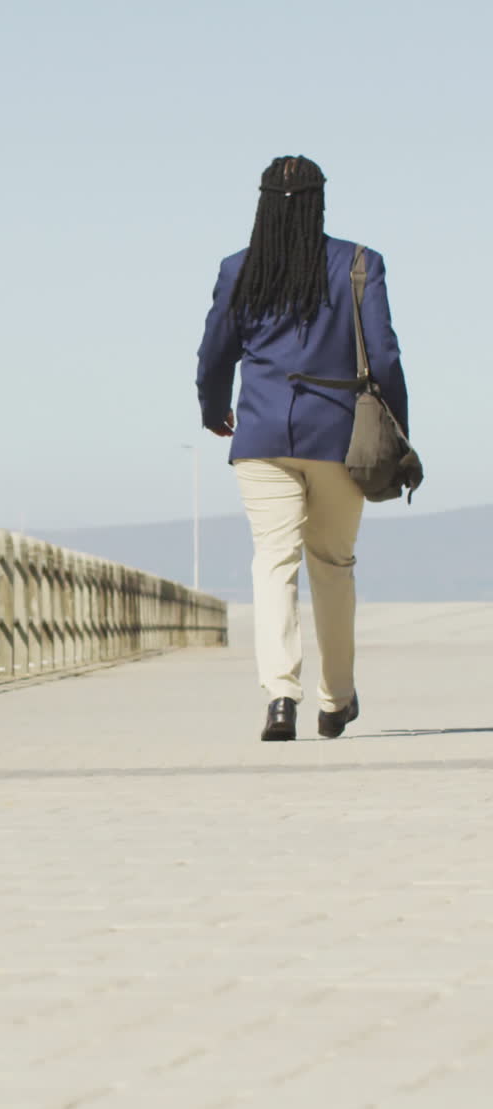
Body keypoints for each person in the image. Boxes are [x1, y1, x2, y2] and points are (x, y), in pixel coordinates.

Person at [196, 155, 408, 742]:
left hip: (261, 436)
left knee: (273, 562)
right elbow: (385, 356)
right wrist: (398, 433)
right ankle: (335, 699)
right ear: (320, 200)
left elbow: (215, 353)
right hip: (339, 436)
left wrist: (214, 412)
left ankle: (281, 697)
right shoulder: (358, 264)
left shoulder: (239, 269)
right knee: (333, 566)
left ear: (263, 201)